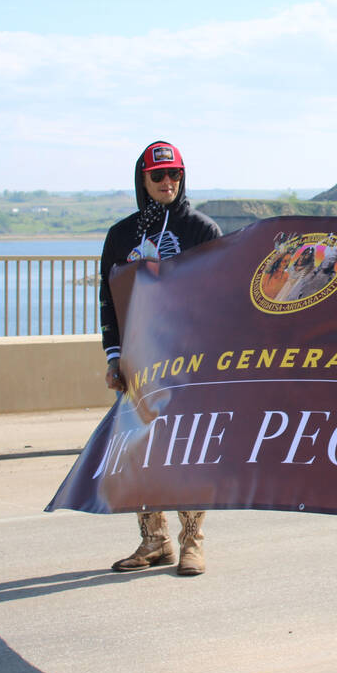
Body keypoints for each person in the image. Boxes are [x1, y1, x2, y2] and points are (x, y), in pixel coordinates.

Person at [99, 140, 222, 576]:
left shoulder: (202, 231)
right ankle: (154, 540)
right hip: (139, 363)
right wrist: (114, 357)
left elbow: (219, 297)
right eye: (158, 176)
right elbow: (108, 302)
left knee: (188, 450)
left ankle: (193, 542)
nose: (167, 183)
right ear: (143, 179)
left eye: (175, 175)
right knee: (137, 451)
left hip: (188, 363)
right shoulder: (121, 235)